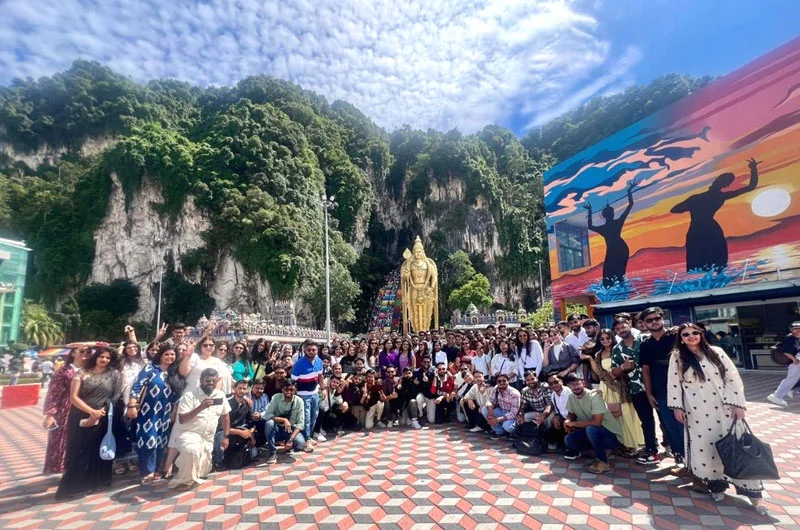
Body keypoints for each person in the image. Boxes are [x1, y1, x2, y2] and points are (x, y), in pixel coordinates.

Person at [667, 323, 766, 514]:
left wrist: (737, 404)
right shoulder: (677, 357)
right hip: (696, 411)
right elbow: (674, 384)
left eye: (695, 333)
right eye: (685, 334)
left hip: (724, 408)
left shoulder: (716, 352)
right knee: (707, 447)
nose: (691, 336)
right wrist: (677, 408)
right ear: (680, 337)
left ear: (701, 334)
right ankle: (717, 485)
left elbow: (733, 378)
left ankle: (754, 495)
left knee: (737, 447)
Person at [55, 348, 122, 500]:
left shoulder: (114, 374)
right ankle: (72, 488)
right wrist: (91, 411)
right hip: (80, 415)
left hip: (103, 417)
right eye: (101, 357)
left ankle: (98, 482)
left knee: (98, 450)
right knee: (79, 450)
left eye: (107, 358)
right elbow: (73, 397)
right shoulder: (82, 373)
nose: (104, 360)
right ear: (95, 357)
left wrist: (100, 412)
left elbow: (115, 396)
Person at [670, 158, 759, 272]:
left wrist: (689, 206)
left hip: (697, 230)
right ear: (726, 185)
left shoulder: (695, 199)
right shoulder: (719, 197)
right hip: (710, 229)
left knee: (700, 264)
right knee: (715, 264)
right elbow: (751, 186)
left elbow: (675, 209)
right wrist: (753, 170)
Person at [639, 307, 686, 474]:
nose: (654, 322)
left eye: (657, 318)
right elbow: (646, 370)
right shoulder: (646, 344)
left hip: (685, 389)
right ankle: (680, 457)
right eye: (649, 320)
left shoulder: (677, 337)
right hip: (661, 390)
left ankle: (697, 460)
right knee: (670, 425)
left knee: (688, 425)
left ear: (662, 319)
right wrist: (649, 393)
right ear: (643, 324)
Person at [168, 368, 231, 490]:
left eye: (213, 381)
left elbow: (226, 416)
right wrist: (200, 407)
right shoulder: (189, 396)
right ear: (201, 380)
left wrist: (226, 436)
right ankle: (184, 481)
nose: (211, 383)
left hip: (207, 438)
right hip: (188, 433)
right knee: (192, 450)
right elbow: (182, 419)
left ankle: (185, 465)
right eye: (207, 381)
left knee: (202, 472)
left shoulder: (220, 395)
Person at [611, 318, 659, 465]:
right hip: (636, 388)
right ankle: (652, 450)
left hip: (656, 385)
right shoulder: (617, 349)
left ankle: (675, 450)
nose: (621, 330)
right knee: (646, 421)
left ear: (629, 325)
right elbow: (614, 372)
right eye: (618, 329)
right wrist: (623, 367)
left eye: (623, 326)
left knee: (665, 418)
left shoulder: (645, 339)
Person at [128, 344, 178, 485]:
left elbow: (176, 395)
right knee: (148, 440)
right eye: (167, 354)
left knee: (161, 441)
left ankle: (156, 469)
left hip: (165, 413)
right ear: (160, 356)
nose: (170, 357)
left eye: (172, 355)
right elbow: (137, 386)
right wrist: (132, 405)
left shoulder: (173, 373)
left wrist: (173, 411)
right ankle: (147, 472)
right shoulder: (150, 368)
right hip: (148, 412)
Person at [587, 330, 641, 454]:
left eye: (608, 338)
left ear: (612, 338)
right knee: (610, 417)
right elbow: (599, 372)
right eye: (602, 339)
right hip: (605, 387)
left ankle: (631, 444)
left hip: (620, 386)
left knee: (625, 414)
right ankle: (617, 444)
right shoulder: (599, 354)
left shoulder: (619, 350)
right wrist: (590, 359)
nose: (605, 341)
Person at [43, 345, 93, 474]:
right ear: (73, 354)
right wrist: (50, 413)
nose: (85, 354)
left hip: (87, 407)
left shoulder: (91, 370)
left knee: (83, 439)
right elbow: (54, 393)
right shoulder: (63, 371)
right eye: (82, 351)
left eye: (88, 352)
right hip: (66, 408)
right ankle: (65, 469)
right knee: (63, 439)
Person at [562, 373, 624, 474]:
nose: (576, 387)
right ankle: (599, 449)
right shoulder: (571, 398)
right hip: (592, 433)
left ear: (583, 383)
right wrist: (568, 421)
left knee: (591, 428)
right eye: (572, 385)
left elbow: (596, 423)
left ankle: (603, 461)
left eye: (578, 383)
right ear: (568, 386)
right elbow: (571, 414)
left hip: (612, 436)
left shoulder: (594, 396)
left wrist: (573, 424)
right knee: (568, 439)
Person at [584, 179, 638, 287]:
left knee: (609, 277)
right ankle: (620, 290)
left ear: (604, 216)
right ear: (611, 214)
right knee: (617, 275)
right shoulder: (617, 222)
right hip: (621, 248)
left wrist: (590, 211)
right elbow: (630, 204)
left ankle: (618, 291)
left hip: (616, 250)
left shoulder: (605, 228)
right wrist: (629, 191)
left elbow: (590, 226)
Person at [214, 380, 255, 470]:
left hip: (240, 433)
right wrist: (239, 432)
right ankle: (218, 461)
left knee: (254, 453)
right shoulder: (227, 403)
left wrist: (251, 433)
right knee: (220, 437)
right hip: (226, 434)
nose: (242, 391)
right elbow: (220, 427)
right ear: (234, 389)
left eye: (244, 389)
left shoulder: (246, 404)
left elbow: (250, 422)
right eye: (239, 388)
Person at [263, 379, 307, 463]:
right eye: (286, 389)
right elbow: (267, 415)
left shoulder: (299, 401)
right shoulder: (276, 397)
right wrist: (283, 420)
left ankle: (288, 443)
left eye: (292, 389)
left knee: (301, 444)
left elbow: (301, 423)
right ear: (282, 389)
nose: (289, 392)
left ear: (295, 390)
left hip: (290, 430)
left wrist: (291, 439)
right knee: (269, 423)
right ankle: (272, 452)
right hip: (277, 428)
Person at [292, 339, 325, 446]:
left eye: (313, 350)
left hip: (315, 392)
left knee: (314, 415)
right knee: (306, 417)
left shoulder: (319, 361)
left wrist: (322, 388)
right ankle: (306, 439)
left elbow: (320, 375)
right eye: (309, 350)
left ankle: (309, 436)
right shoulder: (299, 364)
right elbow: (293, 381)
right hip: (303, 394)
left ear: (317, 350)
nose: (311, 352)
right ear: (305, 350)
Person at [767, 321, 800, 407]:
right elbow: (785, 351)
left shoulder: (797, 339)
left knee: (793, 379)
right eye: (795, 329)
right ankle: (777, 395)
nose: (798, 331)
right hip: (794, 362)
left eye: (799, 329)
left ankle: (790, 389)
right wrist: (794, 359)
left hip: (797, 361)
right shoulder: (790, 338)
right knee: (791, 378)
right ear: (791, 330)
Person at [517, 371, 554, 444]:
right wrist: (521, 415)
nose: (531, 382)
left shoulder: (545, 387)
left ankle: (548, 437)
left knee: (549, 419)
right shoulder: (525, 391)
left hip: (549, 411)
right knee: (523, 418)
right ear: (525, 381)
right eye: (528, 380)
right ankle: (532, 436)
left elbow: (550, 404)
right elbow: (522, 407)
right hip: (537, 413)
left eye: (532, 379)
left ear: (537, 378)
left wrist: (543, 416)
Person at [482, 373, 520, 438]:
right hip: (502, 412)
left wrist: (497, 420)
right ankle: (500, 432)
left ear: (508, 381)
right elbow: (490, 400)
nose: (502, 383)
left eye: (504, 381)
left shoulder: (514, 393)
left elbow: (513, 413)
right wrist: (490, 411)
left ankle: (513, 432)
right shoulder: (496, 388)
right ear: (497, 382)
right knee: (485, 409)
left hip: (513, 417)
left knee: (507, 426)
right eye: (499, 381)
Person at [248, 379, 270, 447]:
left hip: (260, 420)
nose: (259, 391)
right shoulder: (246, 396)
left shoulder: (265, 396)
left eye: (261, 389)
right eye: (257, 388)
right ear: (252, 387)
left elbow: (267, 410)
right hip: (248, 420)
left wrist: (260, 415)